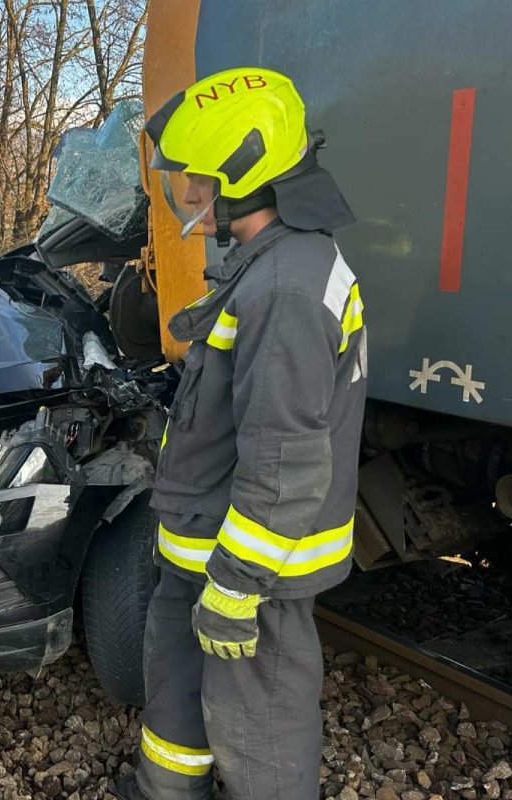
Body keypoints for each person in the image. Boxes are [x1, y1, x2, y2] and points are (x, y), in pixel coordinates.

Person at [117, 67, 365, 800]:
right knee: (179, 707)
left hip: (247, 574)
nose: (185, 196)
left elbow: (287, 465)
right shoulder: (272, 264)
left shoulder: (286, 286)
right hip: (207, 552)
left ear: (242, 175)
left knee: (260, 734)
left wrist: (235, 586)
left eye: (196, 180)